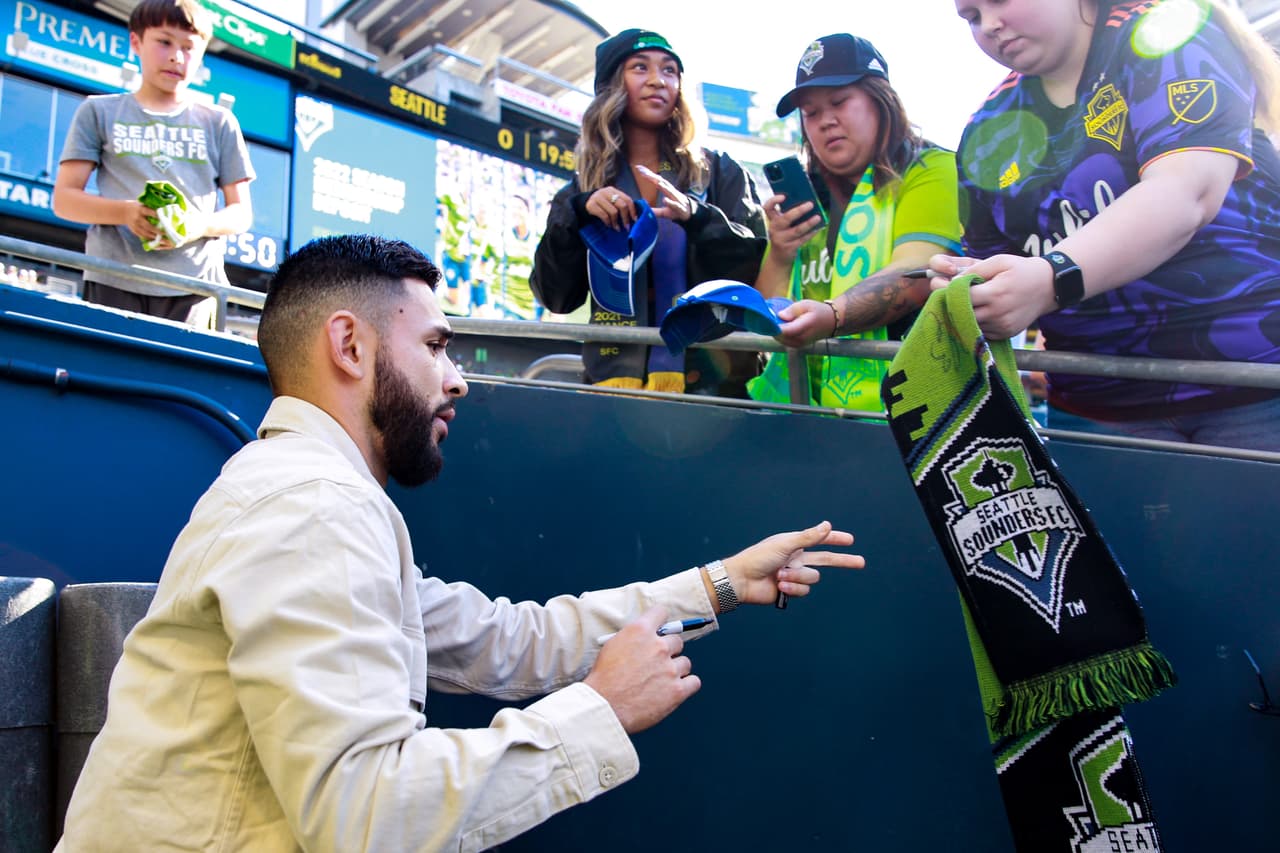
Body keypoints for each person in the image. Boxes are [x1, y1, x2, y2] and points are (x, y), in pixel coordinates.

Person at [55, 234, 864, 852]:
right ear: (350, 346)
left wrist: (722, 581)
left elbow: (509, 641)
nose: (460, 377)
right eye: (437, 346)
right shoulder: (314, 508)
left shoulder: (314, 496)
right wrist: (601, 711)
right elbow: (361, 810)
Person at [932, 0, 1280, 450]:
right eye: (971, 17)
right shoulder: (988, 129)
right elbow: (992, 265)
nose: (991, 25)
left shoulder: (1168, 30)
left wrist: (1048, 278)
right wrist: (972, 291)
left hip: (1252, 386)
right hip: (1093, 407)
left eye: (999, 1)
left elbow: (1186, 190)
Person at [531, 28, 767, 396]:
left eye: (670, 70)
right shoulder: (582, 190)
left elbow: (758, 269)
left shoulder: (719, 172)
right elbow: (555, 297)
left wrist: (696, 216)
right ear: (612, 85)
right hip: (613, 389)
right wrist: (577, 217)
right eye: (640, 68)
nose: (658, 80)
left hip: (714, 388)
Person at [748, 33, 963, 411]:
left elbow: (916, 274)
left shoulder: (931, 169)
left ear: (882, 102)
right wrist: (780, 253)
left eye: (839, 102)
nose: (825, 121)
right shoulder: (808, 193)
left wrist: (831, 316)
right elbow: (767, 310)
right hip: (807, 409)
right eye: (811, 113)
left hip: (915, 411)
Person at [52, 0, 254, 328]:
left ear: (202, 53)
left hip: (194, 286)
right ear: (136, 42)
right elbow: (64, 201)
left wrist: (198, 225)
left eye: (189, 47)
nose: (177, 56)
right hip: (112, 278)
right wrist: (126, 213)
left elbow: (241, 214)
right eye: (164, 42)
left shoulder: (220, 122)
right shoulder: (98, 112)